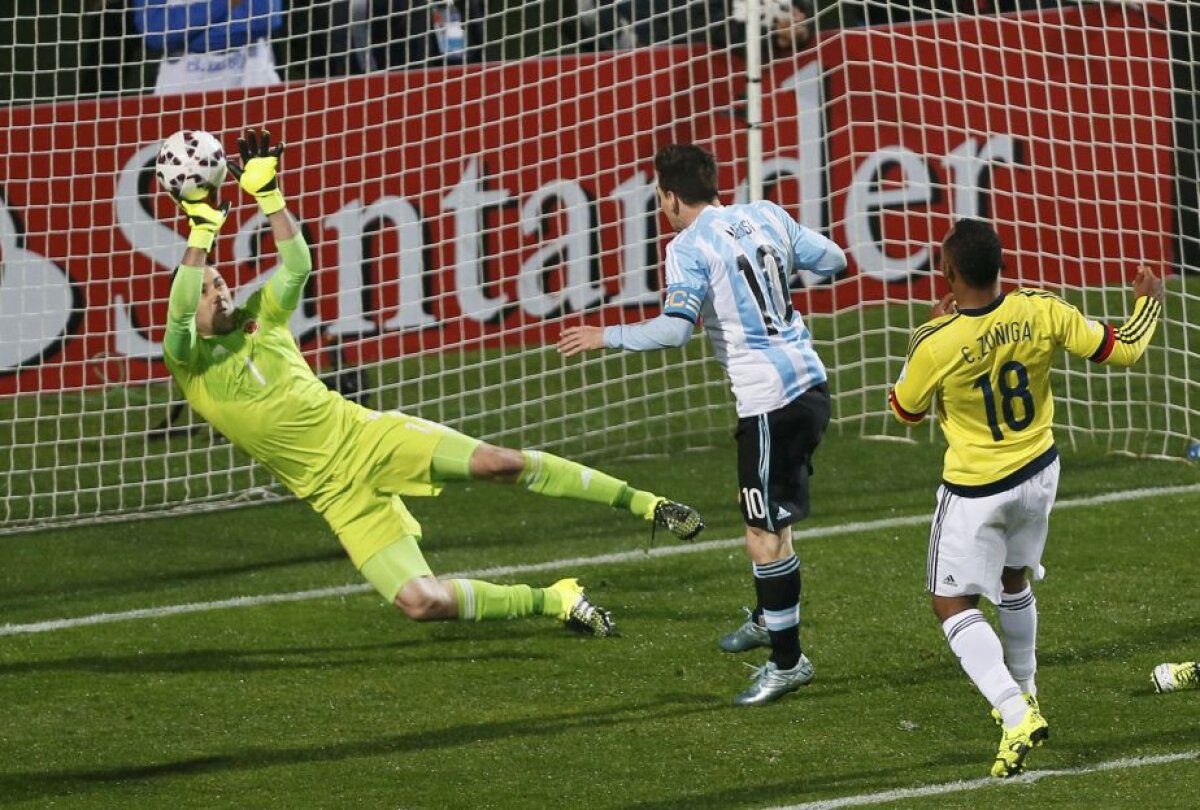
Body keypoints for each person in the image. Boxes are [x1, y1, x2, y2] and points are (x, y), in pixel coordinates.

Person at [162, 128, 705, 640]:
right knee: (421, 603)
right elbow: (183, 309)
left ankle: (648, 505)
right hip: (335, 495)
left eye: (220, 279)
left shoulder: (265, 318)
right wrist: (202, 230)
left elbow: (297, 264)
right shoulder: (191, 361)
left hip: (369, 436)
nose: (221, 289)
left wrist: (270, 196)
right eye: (209, 287)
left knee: (501, 463)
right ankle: (556, 599)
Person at [557, 144, 847, 705]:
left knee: (761, 534)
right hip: (810, 385)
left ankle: (788, 663)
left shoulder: (687, 246)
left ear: (668, 196)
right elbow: (834, 260)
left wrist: (604, 336)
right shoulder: (766, 213)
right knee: (774, 519)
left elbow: (674, 330)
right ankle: (769, 618)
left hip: (770, 402)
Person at [887, 218, 1165, 777]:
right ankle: (1028, 691)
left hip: (975, 491)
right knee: (1013, 579)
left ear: (948, 271)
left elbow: (905, 411)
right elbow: (1124, 350)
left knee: (950, 603)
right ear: (1002, 267)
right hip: (1039, 473)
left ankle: (1014, 711)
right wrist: (1148, 303)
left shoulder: (935, 342)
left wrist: (936, 331)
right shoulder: (1041, 307)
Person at [131, 0, 283, 96]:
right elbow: (156, 30)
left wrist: (189, 39)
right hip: (181, 93)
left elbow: (264, 17)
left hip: (253, 85)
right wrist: (227, 3)